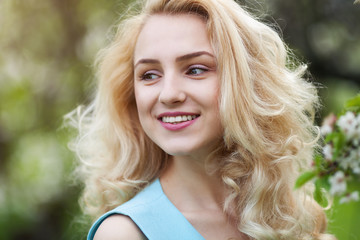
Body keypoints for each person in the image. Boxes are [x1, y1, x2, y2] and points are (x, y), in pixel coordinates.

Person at [68, 0, 336, 239]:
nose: (169, 94)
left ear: (244, 83)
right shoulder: (124, 233)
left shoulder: (285, 216)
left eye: (195, 69)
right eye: (149, 75)